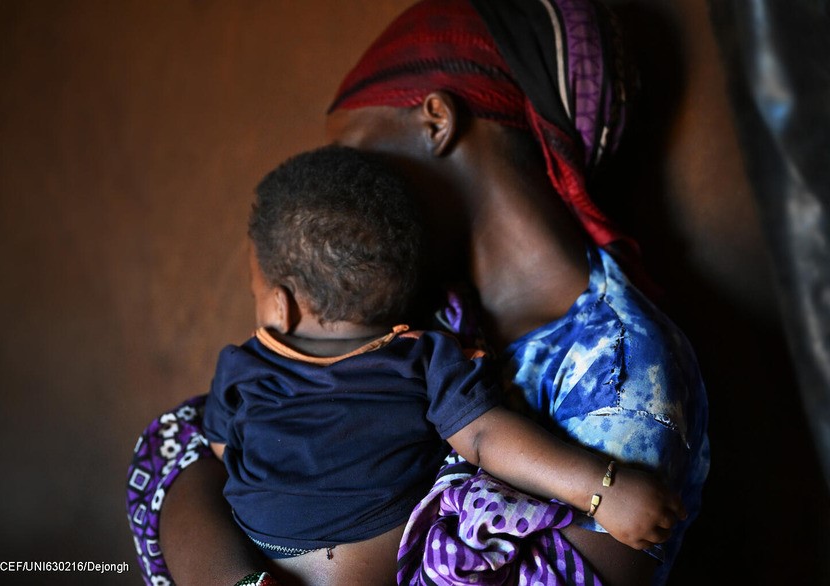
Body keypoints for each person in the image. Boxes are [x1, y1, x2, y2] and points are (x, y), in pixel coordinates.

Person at [125, 1, 709, 584]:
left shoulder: (621, 367)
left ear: (436, 120)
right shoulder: (415, 312)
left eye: (352, 156)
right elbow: (187, 445)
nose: (339, 196)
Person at [201, 144, 683, 585]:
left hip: (260, 559)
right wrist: (603, 488)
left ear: (280, 306)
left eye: (254, 292)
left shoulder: (240, 367)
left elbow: (225, 453)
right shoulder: (426, 356)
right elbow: (486, 437)